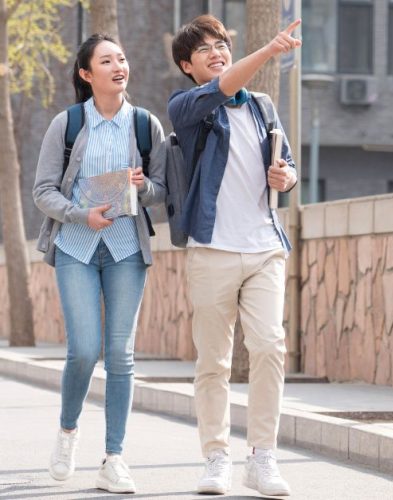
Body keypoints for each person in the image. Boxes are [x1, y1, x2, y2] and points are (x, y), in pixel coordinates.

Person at [168, 15, 300, 497]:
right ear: (188, 65)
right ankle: (216, 457)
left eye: (221, 44)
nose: (216, 51)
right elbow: (223, 87)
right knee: (214, 362)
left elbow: (285, 163)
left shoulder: (263, 106)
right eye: (204, 49)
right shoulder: (187, 106)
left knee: (269, 347)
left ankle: (262, 456)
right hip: (212, 249)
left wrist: (287, 178)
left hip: (265, 246)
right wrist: (268, 52)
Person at [32, 34, 166, 493]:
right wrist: (79, 214)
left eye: (122, 58)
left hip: (127, 249)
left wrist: (144, 185)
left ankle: (114, 457)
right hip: (76, 247)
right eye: (106, 60)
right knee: (85, 350)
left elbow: (163, 191)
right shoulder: (66, 125)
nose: (118, 66)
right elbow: (43, 190)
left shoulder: (146, 125)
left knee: (122, 357)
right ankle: (69, 431)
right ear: (87, 75)